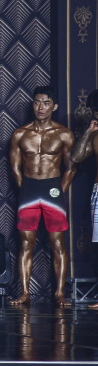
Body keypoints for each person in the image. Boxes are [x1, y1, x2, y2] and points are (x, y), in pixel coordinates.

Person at [8, 85, 76, 307]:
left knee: (58, 243)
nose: (40, 107)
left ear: (54, 106)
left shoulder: (64, 134)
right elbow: (15, 168)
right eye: (37, 102)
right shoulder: (20, 133)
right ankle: (24, 293)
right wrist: (25, 188)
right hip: (29, 188)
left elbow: (70, 167)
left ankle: (59, 293)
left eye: (46, 103)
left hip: (52, 188)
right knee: (26, 243)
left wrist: (59, 190)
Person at [72, 90, 98, 310]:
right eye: (95, 111)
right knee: (97, 244)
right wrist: (88, 133)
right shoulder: (95, 135)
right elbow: (77, 157)